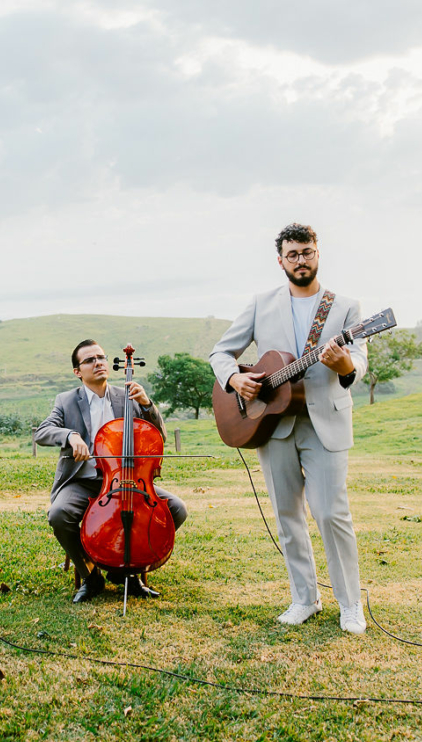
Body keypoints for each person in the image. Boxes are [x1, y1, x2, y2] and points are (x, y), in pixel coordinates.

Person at [209, 222, 368, 634]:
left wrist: (343, 364)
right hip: (273, 424)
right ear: (280, 260)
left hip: (325, 421)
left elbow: (359, 363)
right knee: (286, 514)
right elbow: (221, 351)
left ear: (318, 254)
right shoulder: (261, 303)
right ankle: (304, 598)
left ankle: (350, 604)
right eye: (293, 254)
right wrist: (234, 380)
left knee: (332, 513)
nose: (301, 260)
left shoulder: (346, 306)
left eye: (307, 252)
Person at [35, 339, 187, 603]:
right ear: (78, 371)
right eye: (90, 360)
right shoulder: (66, 400)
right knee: (59, 515)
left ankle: (129, 573)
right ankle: (90, 576)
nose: (98, 363)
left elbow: (159, 434)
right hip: (83, 480)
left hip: (128, 480)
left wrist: (148, 404)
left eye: (101, 358)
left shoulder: (127, 395)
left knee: (176, 509)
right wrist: (70, 436)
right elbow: (42, 432)